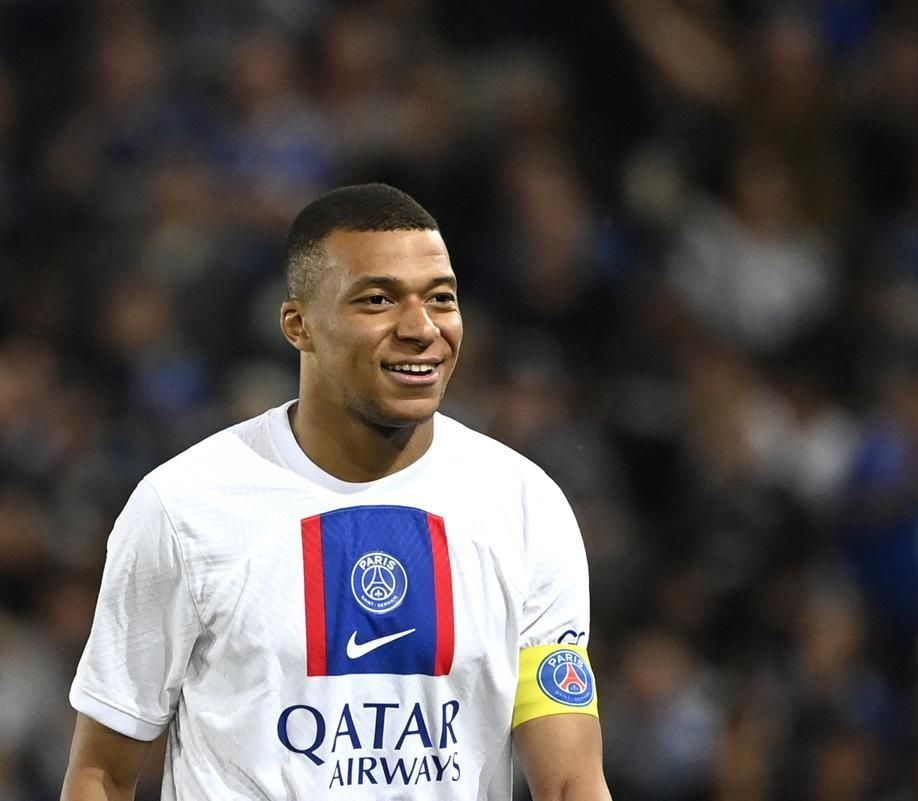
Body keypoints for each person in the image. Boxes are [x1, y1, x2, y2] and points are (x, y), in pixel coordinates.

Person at [60, 183, 612, 801]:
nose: (421, 327)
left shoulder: (524, 506)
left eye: (441, 298)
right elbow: (101, 774)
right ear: (299, 326)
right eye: (378, 299)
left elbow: (571, 781)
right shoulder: (183, 507)